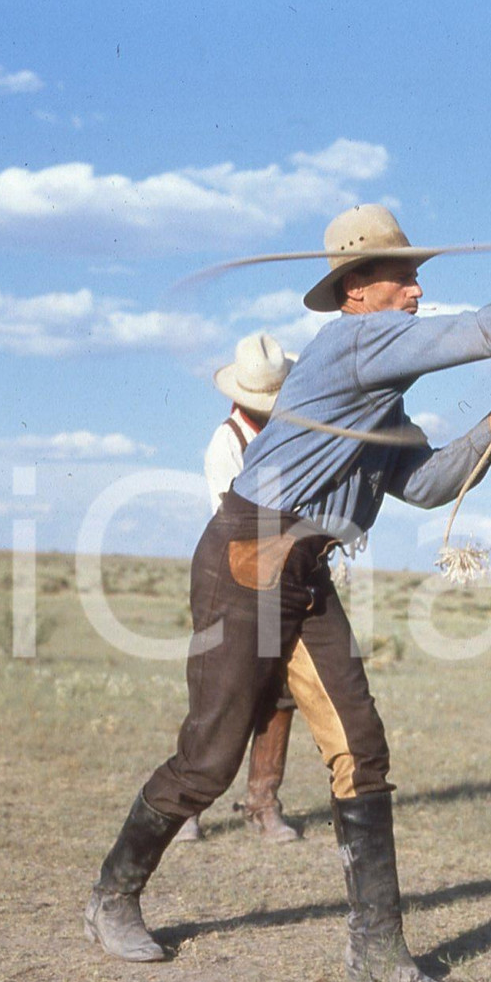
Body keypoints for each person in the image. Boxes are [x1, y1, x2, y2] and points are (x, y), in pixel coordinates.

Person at [85, 199, 491, 982]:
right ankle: (113, 896)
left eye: (415, 277)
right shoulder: (356, 343)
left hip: (302, 569)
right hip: (249, 556)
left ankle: (377, 952)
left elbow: (426, 485)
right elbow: (488, 329)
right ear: (356, 290)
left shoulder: (379, 394)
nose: (416, 290)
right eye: (403, 277)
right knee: (211, 758)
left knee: (359, 749)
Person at [173, 331, 301, 844]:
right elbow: (237, 523)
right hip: (234, 577)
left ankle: (262, 801)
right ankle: (184, 805)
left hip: (285, 576)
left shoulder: (294, 435)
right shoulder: (226, 443)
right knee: (220, 693)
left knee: (280, 692)